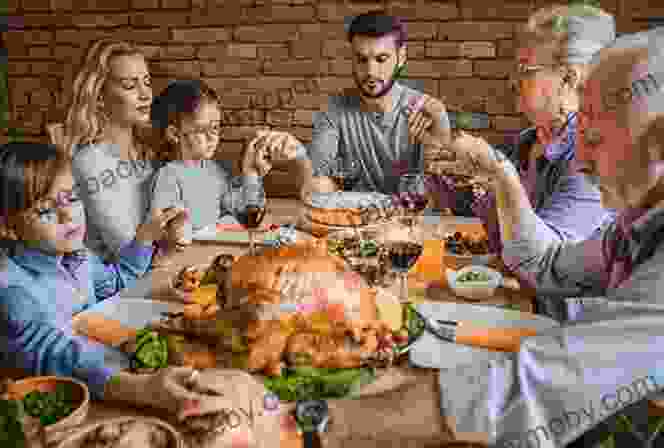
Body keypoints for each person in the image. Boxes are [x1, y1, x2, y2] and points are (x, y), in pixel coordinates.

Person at [187, 26, 664, 448]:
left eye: (596, 139)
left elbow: (532, 391)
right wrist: (499, 177)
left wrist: (310, 424)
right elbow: (545, 265)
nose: (579, 160)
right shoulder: (633, 229)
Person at [431, 4, 616, 320]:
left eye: (525, 70)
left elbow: (543, 269)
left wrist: (500, 177)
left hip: (567, 335)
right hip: (524, 307)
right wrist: (444, 153)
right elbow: (505, 243)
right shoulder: (529, 142)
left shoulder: (595, 156)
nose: (512, 82)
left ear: (569, 80)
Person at [0, 142, 200, 419]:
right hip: (66, 402)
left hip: (114, 365)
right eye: (45, 211)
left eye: (72, 198)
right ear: (6, 226)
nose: (68, 215)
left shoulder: (76, 256)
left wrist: (145, 243)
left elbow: (113, 283)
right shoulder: (8, 290)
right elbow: (55, 353)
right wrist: (142, 388)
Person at [147, 79, 309, 253]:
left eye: (215, 128)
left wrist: (251, 174)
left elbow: (244, 211)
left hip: (213, 253)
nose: (212, 137)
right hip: (185, 259)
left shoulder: (214, 171)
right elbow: (163, 234)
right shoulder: (167, 177)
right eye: (203, 130)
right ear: (174, 133)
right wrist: (176, 228)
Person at [63, 39, 188, 263]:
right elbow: (131, 251)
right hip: (115, 290)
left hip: (152, 274)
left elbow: (182, 221)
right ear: (99, 97)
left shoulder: (145, 153)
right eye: (130, 85)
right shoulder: (90, 162)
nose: (146, 95)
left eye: (147, 82)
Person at [305, 11, 452, 196]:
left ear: (401, 57)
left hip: (410, 221)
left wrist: (436, 144)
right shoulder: (333, 110)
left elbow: (440, 199)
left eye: (381, 59)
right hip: (354, 221)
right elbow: (314, 188)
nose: (371, 72)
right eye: (361, 60)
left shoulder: (429, 113)